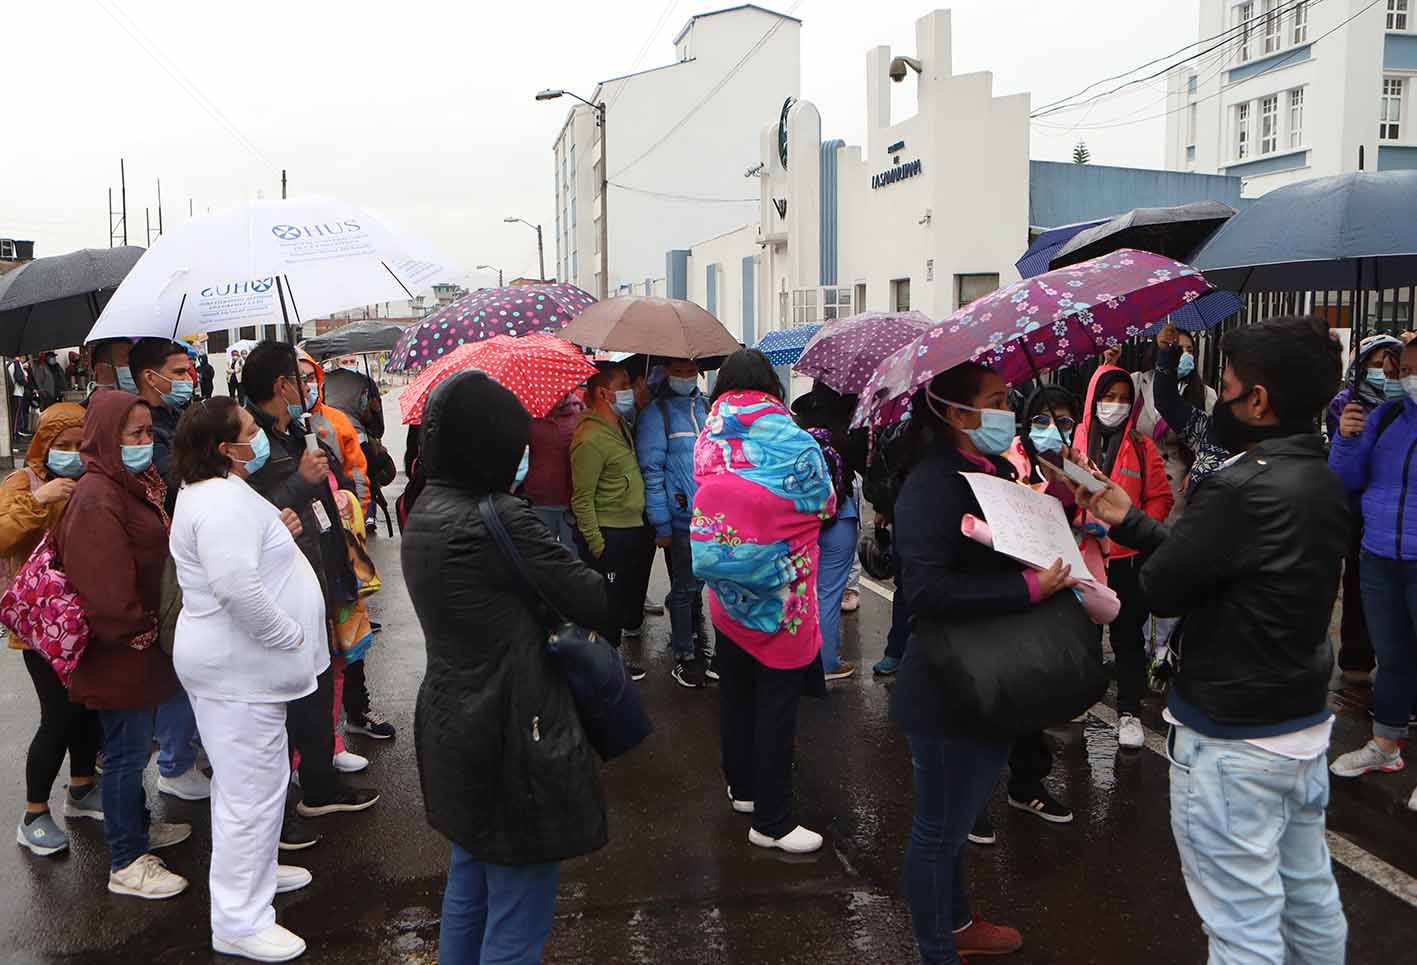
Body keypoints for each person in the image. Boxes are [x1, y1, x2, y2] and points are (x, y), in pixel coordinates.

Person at [1074, 315, 1348, 963]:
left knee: (1240, 927)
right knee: (1309, 900)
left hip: (1231, 739)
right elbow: (1221, 565)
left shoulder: (1239, 483)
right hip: (1298, 727)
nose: (1216, 397)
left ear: (1257, 399)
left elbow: (1165, 588)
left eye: (1223, 385)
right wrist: (1131, 517)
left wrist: (1139, 530)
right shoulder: (1319, 473)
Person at [402, 370, 611, 965]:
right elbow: (593, 598)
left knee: (470, 885)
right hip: (514, 730)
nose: (521, 455)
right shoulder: (500, 519)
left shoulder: (430, 506)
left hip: (453, 720)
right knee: (518, 915)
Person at [890, 362, 1069, 963]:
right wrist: (1030, 589)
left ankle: (961, 923)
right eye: (995, 401)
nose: (1007, 410)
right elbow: (927, 592)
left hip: (991, 677)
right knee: (939, 830)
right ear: (957, 413)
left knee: (960, 819)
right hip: (945, 686)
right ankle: (936, 948)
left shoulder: (984, 470)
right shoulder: (933, 485)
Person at [170, 397, 319, 962]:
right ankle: (238, 919)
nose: (259, 438)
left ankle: (256, 875)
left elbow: (240, 556)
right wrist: (288, 635)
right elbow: (236, 589)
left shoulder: (221, 493)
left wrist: (274, 528)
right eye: (251, 431)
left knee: (256, 784)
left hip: (241, 671)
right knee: (249, 795)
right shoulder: (218, 501)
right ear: (223, 447)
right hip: (239, 670)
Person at [691, 350, 835, 855]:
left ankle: (743, 788)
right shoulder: (796, 439)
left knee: (735, 691)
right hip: (782, 601)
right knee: (776, 707)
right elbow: (824, 503)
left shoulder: (708, 436)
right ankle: (771, 822)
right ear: (772, 387)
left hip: (726, 593)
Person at [54, 390, 192, 899]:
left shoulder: (130, 485)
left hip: (138, 644)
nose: (142, 442)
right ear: (106, 438)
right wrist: (139, 630)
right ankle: (126, 859)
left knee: (132, 749)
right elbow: (104, 586)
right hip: (121, 648)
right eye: (132, 435)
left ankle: (136, 826)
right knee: (125, 752)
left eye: (145, 432)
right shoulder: (97, 496)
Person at [240, 341, 379, 835]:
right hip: (286, 590)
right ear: (282, 386)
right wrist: (300, 480)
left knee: (322, 682)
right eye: (300, 381)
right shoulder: (252, 446)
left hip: (321, 575)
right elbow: (252, 516)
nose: (308, 390)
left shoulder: (298, 431)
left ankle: (320, 778)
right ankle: (307, 790)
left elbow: (331, 487)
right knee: (298, 693)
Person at [0, 403, 104, 856]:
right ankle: (34, 813)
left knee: (86, 711)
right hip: (40, 629)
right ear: (43, 445)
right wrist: (39, 502)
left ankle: (82, 787)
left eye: (80, 446)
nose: (72, 454)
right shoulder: (22, 484)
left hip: (84, 621)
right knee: (57, 718)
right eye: (62, 446)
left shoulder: (93, 482)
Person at [1329, 335, 1417, 794]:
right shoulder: (1384, 417)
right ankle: (1385, 743)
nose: (1407, 376)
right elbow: (1346, 478)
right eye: (1405, 368)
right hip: (1379, 554)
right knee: (1394, 657)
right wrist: (1346, 438)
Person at [1072, 359, 1174, 749]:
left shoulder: (1141, 445)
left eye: (1123, 399)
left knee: (1128, 639)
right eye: (1108, 397)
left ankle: (1129, 710)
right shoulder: (1076, 441)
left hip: (1127, 561)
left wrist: (1137, 529)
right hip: (1084, 558)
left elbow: (1161, 498)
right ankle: (1080, 699)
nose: (1114, 405)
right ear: (1093, 399)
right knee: (1083, 636)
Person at [128, 338, 210, 802]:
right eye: (178, 372)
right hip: (166, 569)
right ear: (150, 376)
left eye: (188, 370)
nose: (187, 379)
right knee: (177, 667)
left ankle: (186, 752)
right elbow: (179, 481)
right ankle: (175, 764)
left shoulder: (177, 419)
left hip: (184, 559)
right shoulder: (150, 429)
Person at [1325, 334, 1404, 687]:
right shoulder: (1348, 405)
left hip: (1401, 522)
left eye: (1395, 369)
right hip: (1361, 516)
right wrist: (1347, 436)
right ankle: (1358, 657)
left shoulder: (1403, 409)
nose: (1384, 375)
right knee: (1360, 586)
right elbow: (1344, 473)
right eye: (1376, 366)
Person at [570, 364, 649, 681]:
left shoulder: (620, 427)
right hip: (608, 533)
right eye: (624, 384)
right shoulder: (589, 438)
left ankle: (611, 662)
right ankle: (604, 668)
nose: (630, 390)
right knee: (606, 605)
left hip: (629, 528)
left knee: (620, 602)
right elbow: (582, 497)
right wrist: (597, 543)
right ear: (604, 392)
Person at [636, 358, 712, 688]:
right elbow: (651, 473)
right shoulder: (657, 414)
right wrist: (661, 524)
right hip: (681, 519)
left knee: (702, 583)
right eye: (678, 371)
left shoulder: (709, 407)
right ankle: (684, 655)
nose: (685, 377)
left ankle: (694, 629)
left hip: (714, 517)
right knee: (682, 588)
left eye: (690, 371)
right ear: (666, 372)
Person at [793, 382, 868, 682]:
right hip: (840, 520)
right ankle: (826, 662)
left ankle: (796, 656)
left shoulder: (798, 436)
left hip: (802, 522)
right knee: (828, 595)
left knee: (801, 591)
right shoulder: (846, 434)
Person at [1134, 327, 1218, 523]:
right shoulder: (1137, 383)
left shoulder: (1205, 395)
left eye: (1190, 350)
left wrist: (1200, 469)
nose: (1185, 355)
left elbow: (1213, 442)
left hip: (1178, 491)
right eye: (1179, 349)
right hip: (1138, 483)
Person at [297, 350, 370, 516]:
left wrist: (358, 513)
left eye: (310, 378)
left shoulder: (337, 420)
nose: (307, 386)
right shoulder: (282, 424)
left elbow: (356, 472)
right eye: (300, 379)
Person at [524, 391, 582, 546]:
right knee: (543, 552)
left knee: (573, 554)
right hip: (540, 498)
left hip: (572, 498)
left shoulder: (579, 412)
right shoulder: (530, 415)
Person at [9, 357, 29, 436]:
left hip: (13, 393)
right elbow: (20, 379)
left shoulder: (10, 363)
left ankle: (15, 433)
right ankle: (14, 434)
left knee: (14, 415)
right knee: (16, 415)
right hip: (17, 393)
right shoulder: (16, 363)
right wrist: (25, 380)